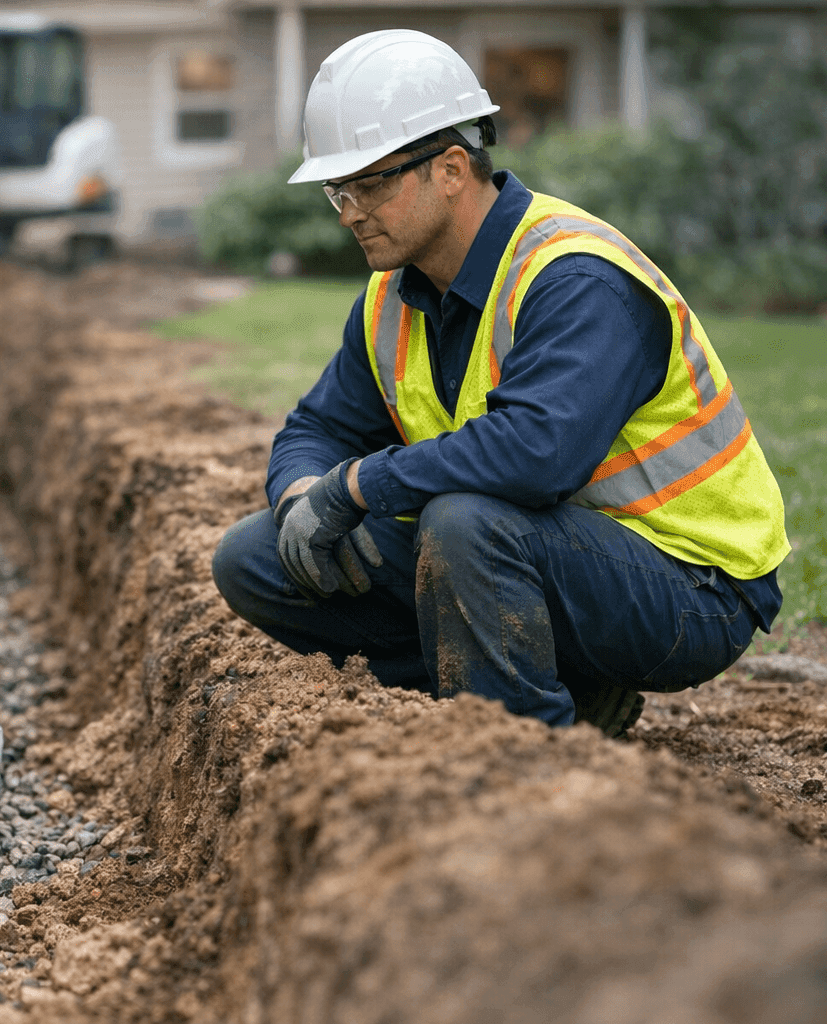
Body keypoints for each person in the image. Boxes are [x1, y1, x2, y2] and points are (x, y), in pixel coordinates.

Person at [211, 29, 790, 736]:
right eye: (340, 190)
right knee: (257, 558)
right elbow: (317, 429)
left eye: (372, 184)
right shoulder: (392, 295)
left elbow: (535, 454)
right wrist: (305, 494)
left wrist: (358, 488)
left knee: (464, 522)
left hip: (690, 585)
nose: (351, 212)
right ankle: (561, 695)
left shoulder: (576, 277)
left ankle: (527, 753)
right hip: (539, 555)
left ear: (452, 168)